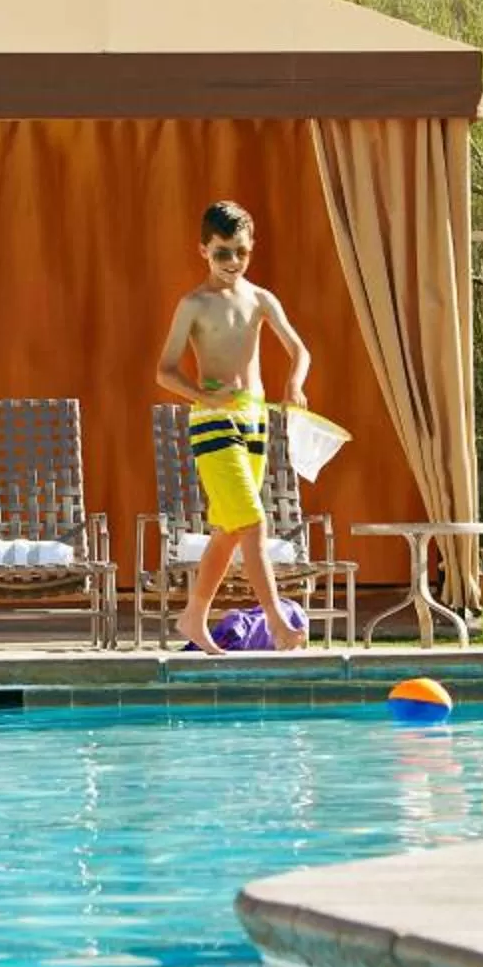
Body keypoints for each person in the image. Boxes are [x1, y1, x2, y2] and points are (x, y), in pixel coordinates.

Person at [153, 199, 312, 655]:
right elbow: (165, 371)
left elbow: (300, 350)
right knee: (253, 523)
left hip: (255, 421)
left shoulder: (260, 299)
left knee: (228, 529)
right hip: (213, 422)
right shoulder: (194, 304)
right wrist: (206, 397)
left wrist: (294, 384)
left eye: (241, 251)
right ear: (203, 250)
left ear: (251, 247)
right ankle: (278, 624)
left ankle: (193, 616)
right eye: (222, 252)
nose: (233, 261)